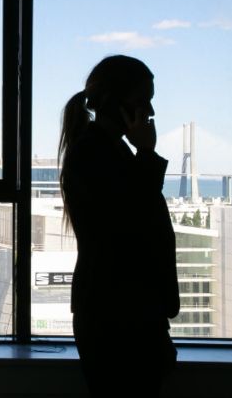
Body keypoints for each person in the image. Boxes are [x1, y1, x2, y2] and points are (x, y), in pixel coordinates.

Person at [58, 55, 180, 397]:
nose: (151, 111)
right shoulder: (96, 155)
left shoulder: (105, 151)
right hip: (118, 319)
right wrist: (147, 154)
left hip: (120, 314)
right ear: (115, 103)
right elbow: (130, 223)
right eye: (143, 100)